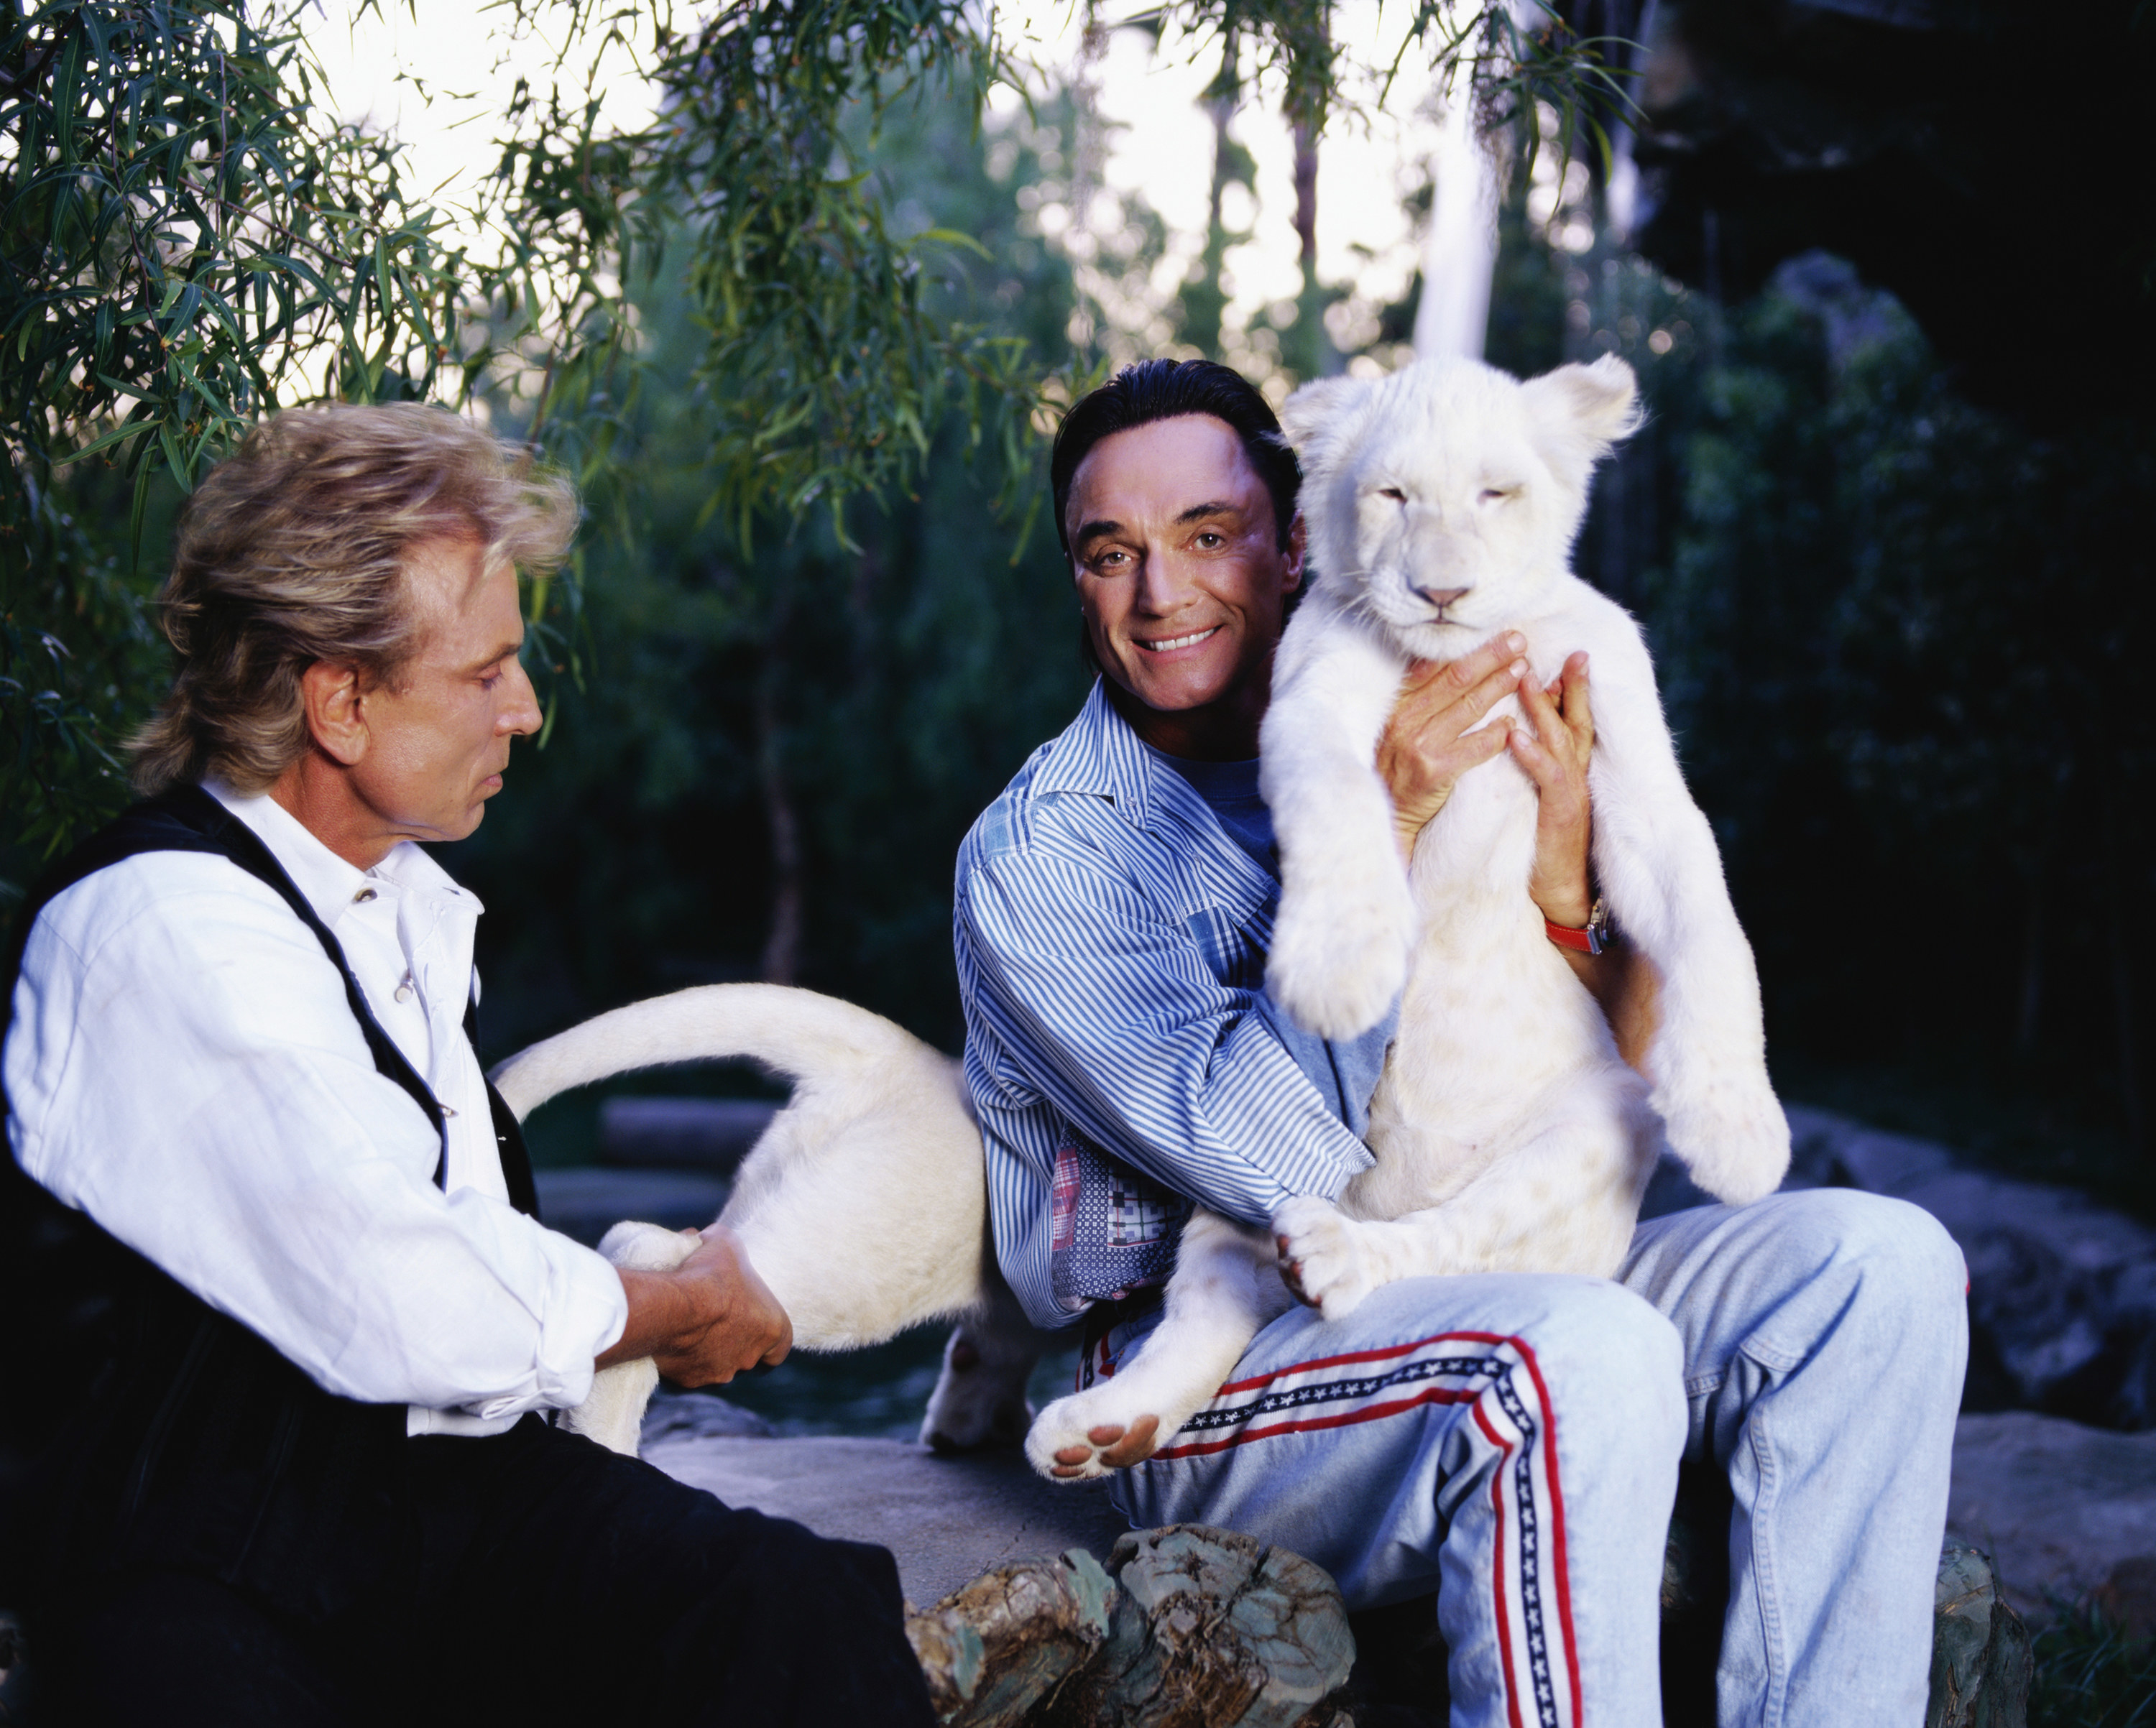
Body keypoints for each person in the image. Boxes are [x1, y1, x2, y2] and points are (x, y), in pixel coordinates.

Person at [952, 359, 1968, 1727]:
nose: (1162, 592)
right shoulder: (1049, 853)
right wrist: (1398, 819)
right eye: (1110, 552)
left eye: (1209, 534)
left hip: (1496, 1244)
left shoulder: (1473, 662)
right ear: (1075, 577)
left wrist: (1569, 897)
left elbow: (1627, 1058)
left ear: (1299, 530)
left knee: (1880, 1267)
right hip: (1217, 1364)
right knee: (1579, 1352)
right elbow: (1253, 1161)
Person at [0, 404, 936, 1728]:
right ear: (339, 699)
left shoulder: (405, 910)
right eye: (485, 670)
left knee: (785, 1611)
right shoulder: (158, 928)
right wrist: (673, 1309)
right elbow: (401, 1291)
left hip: (425, 1515)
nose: (528, 707)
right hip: (200, 1561)